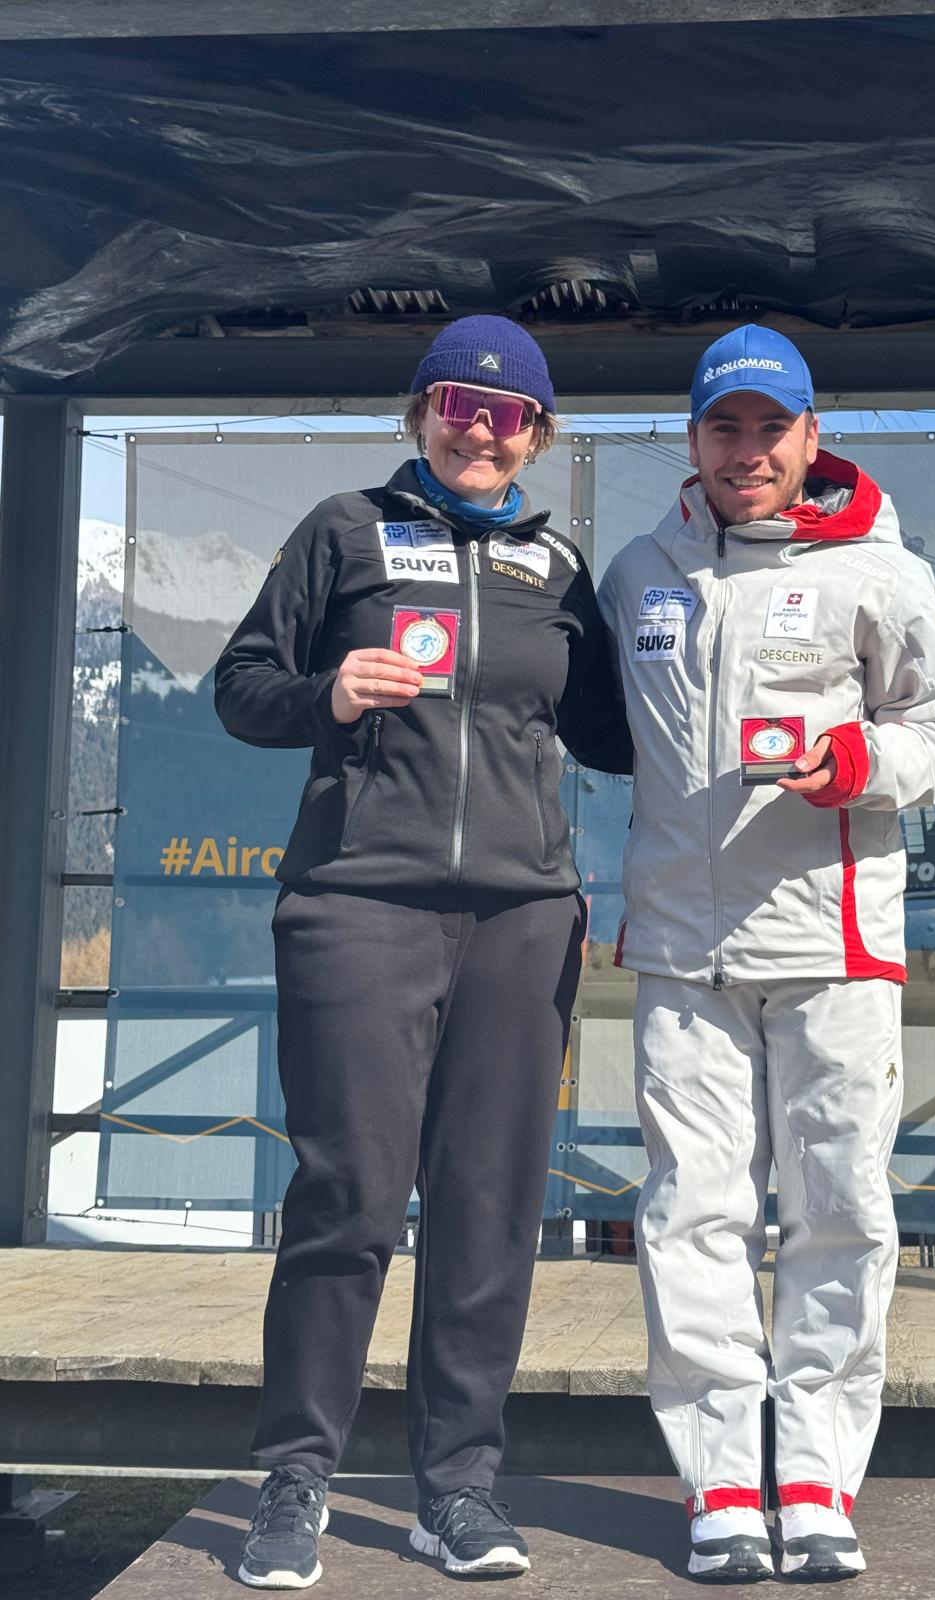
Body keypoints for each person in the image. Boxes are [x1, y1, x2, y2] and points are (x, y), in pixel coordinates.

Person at [214, 315, 631, 1588]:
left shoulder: (560, 566)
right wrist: (328, 692)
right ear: (419, 413)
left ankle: (457, 1487)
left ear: (538, 436)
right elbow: (240, 684)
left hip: (521, 921)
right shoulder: (343, 530)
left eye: (507, 416)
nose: (480, 431)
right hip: (359, 904)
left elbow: (617, 734)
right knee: (346, 1194)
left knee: (489, 1207)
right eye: (458, 404)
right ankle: (297, 1477)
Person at [597, 326, 935, 1582]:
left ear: (812, 437)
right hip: (682, 952)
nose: (749, 451)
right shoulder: (639, 573)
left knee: (840, 1212)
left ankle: (815, 1476)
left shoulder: (884, 569)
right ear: (693, 438)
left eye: (773, 428)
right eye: (727, 427)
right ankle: (721, 1480)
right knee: (690, 1215)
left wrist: (864, 761)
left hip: (834, 944)